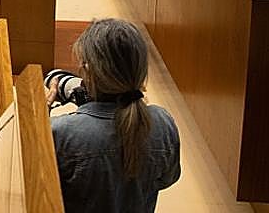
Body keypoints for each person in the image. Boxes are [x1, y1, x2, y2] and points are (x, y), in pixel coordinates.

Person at [48, 18, 180, 213]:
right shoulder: (163, 123)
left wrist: (40, 114)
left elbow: (40, 190)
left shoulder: (61, 133)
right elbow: (167, 178)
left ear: (88, 73)